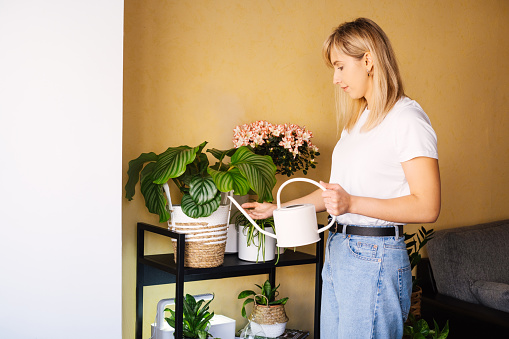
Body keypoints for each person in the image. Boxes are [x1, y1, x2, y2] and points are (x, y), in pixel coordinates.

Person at [241, 18, 440, 339]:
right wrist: (279, 208)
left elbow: (427, 206)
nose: (335, 79)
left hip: (374, 256)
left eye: (340, 67)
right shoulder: (357, 121)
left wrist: (352, 202)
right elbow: (335, 194)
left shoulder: (407, 119)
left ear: (368, 61)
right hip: (339, 248)